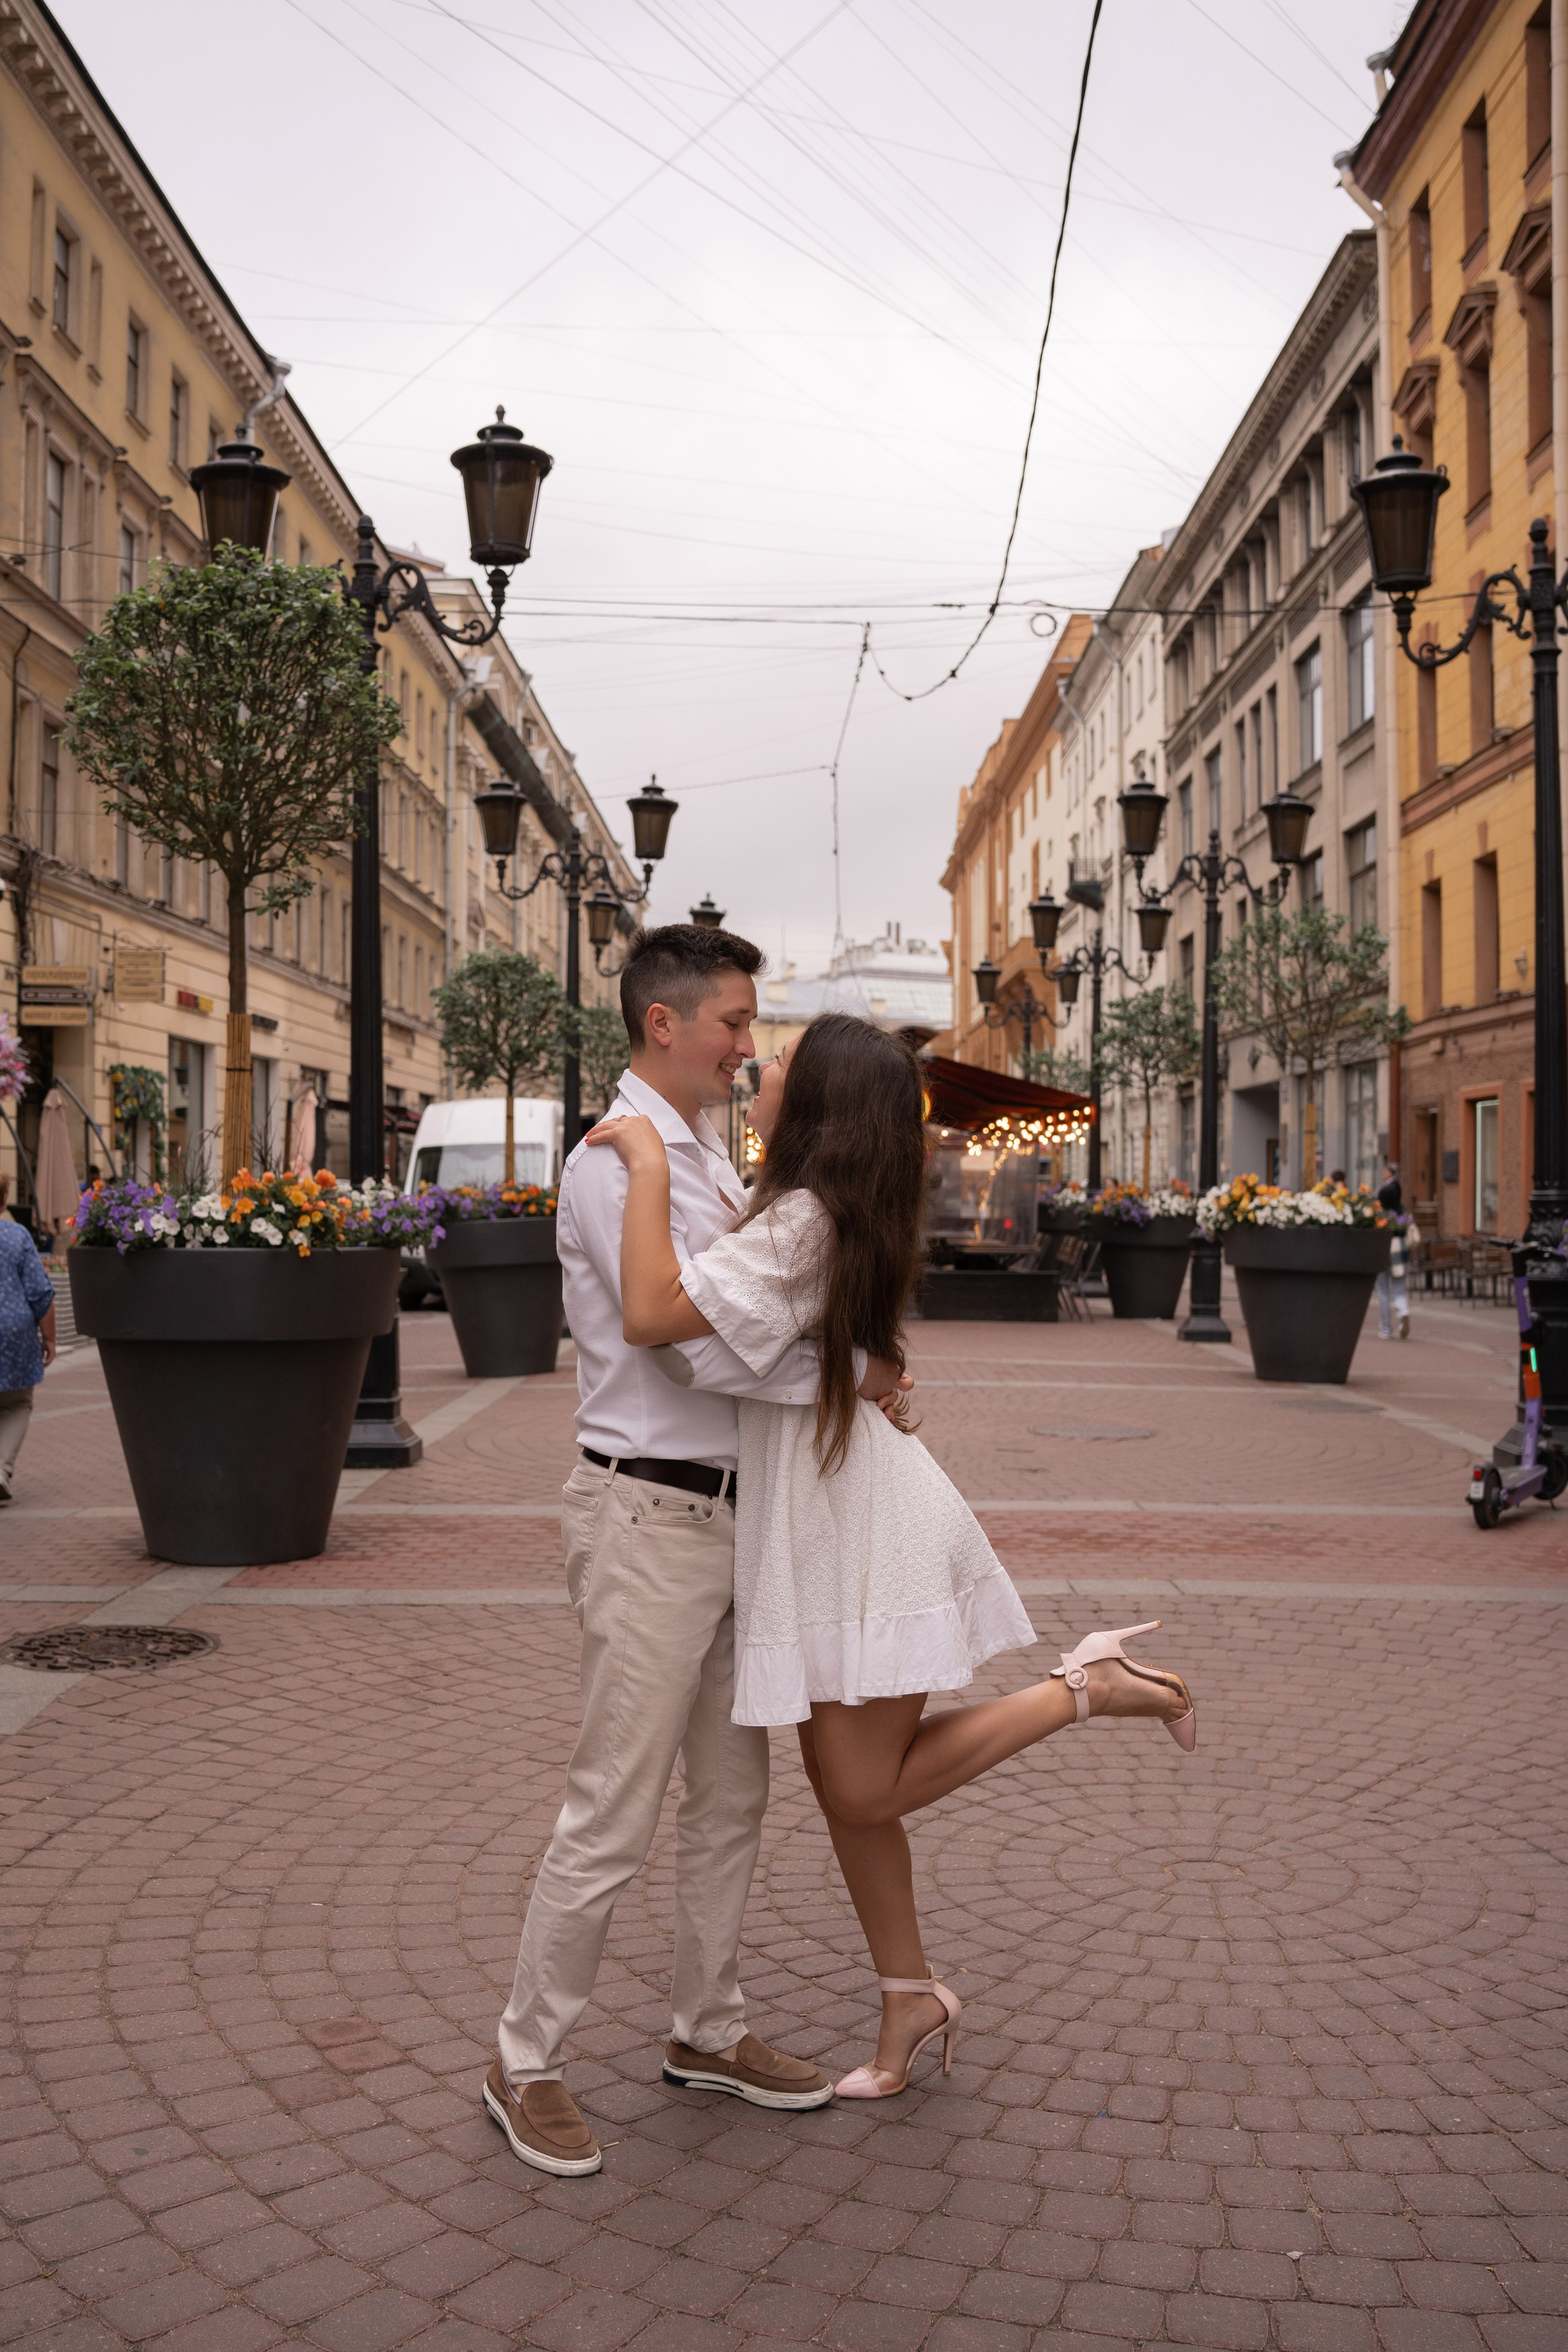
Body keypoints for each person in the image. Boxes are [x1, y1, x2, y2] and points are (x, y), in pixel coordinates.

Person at [590, 1013, 1196, 2102]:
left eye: (775, 1064)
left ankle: (1088, 1686)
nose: (757, 1071)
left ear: (813, 1104)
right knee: (845, 1789)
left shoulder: (802, 1223)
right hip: (834, 1520)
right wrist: (865, 1370)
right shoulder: (805, 1215)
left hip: (863, 1528)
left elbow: (653, 1322)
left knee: (862, 1789)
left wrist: (641, 1159)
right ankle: (908, 1995)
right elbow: (760, 1365)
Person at [486, 929, 908, 2177]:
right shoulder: (621, 1162)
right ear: (661, 1023)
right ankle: (523, 2061)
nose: (746, 1043)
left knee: (732, 1796)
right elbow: (677, 1340)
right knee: (610, 1807)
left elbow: (752, 1331)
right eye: (731, 1020)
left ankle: (705, 2030)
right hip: (648, 1516)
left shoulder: (714, 1160)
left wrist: (846, 1362)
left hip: (732, 1517)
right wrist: (831, 1365)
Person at [0, 1175, 57, 1504]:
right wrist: (49, 1338)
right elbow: (40, 1292)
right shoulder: (16, 1235)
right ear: (4, 1198)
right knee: (17, 1403)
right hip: (14, 1332)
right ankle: (2, 1470)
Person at [1376, 1159, 1410, 1339]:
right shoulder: (1403, 1215)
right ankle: (1403, 1311)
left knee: (1383, 1293)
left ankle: (1386, 1329)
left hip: (1382, 1255)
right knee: (1399, 1290)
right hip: (1400, 1256)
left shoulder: (1380, 1217)